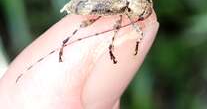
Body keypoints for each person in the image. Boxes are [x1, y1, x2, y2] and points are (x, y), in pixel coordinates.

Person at [0, 12, 158, 109]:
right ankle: (67, 43)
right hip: (87, 6)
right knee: (85, 27)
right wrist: (111, 47)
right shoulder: (121, 8)